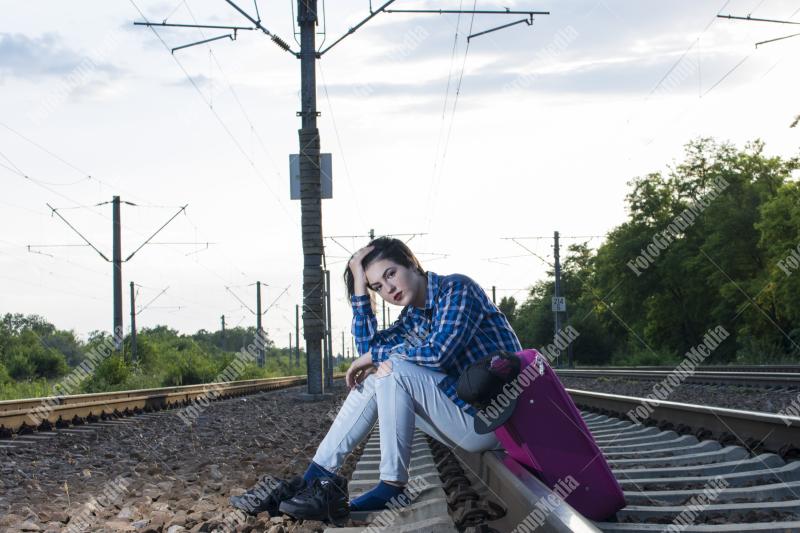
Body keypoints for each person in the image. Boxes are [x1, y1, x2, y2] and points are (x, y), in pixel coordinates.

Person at [230, 237, 521, 521]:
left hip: (496, 421)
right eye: (377, 287)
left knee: (391, 369)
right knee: (376, 377)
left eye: (391, 274)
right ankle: (314, 479)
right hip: (466, 416)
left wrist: (374, 359)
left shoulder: (457, 288)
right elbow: (368, 348)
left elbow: (438, 353)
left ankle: (390, 488)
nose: (389, 289)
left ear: (412, 263)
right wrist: (359, 284)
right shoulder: (413, 317)